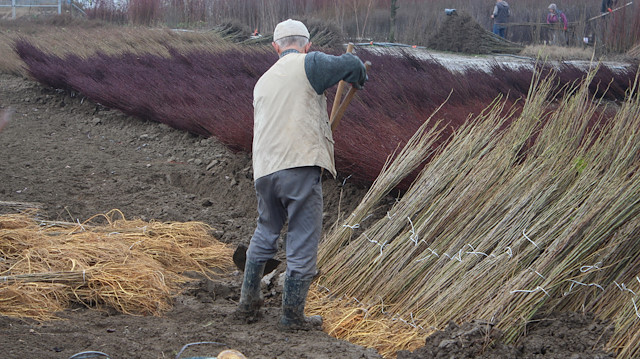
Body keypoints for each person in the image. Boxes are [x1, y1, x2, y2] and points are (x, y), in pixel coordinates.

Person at [235, 19, 367, 332]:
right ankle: (292, 317)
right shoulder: (310, 63)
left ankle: (247, 302)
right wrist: (359, 76)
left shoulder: (262, 81)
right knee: (303, 238)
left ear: (275, 47)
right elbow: (351, 65)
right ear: (307, 45)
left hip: (264, 171)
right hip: (299, 166)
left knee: (266, 229)